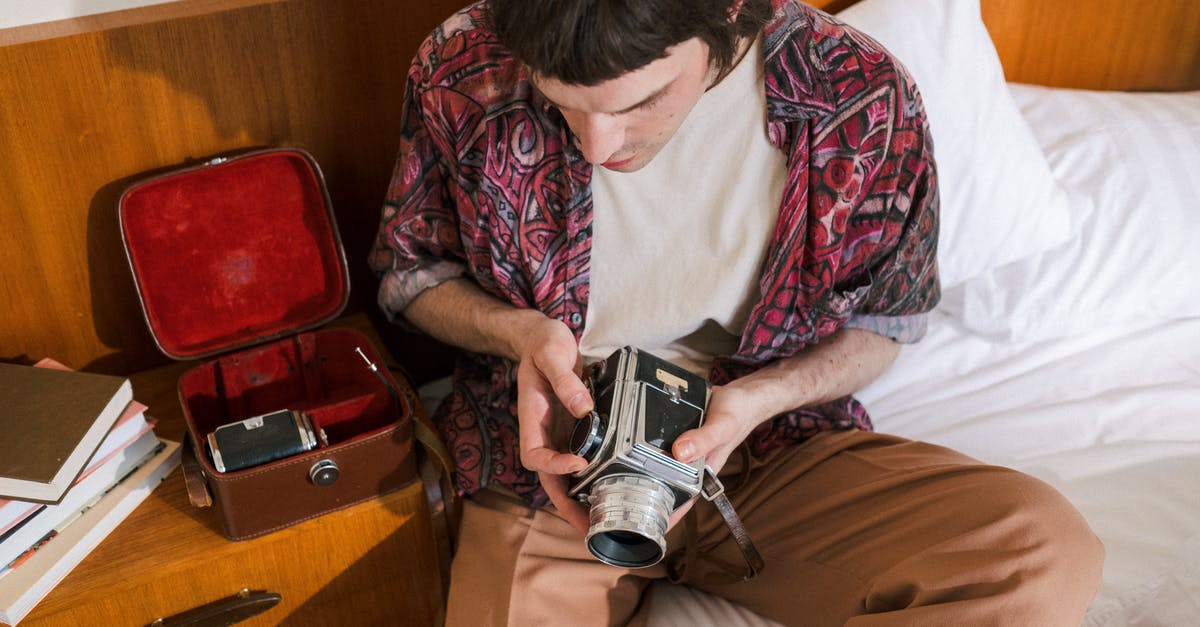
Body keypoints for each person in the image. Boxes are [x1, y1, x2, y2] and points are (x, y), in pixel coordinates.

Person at [369, 0, 1105, 624]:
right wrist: (521, 333)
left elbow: (887, 320)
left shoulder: (859, 96)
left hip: (773, 455)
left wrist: (759, 398)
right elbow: (411, 273)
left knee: (1042, 553)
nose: (596, 144)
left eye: (637, 102)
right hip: (556, 474)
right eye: (562, 102)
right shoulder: (464, 64)